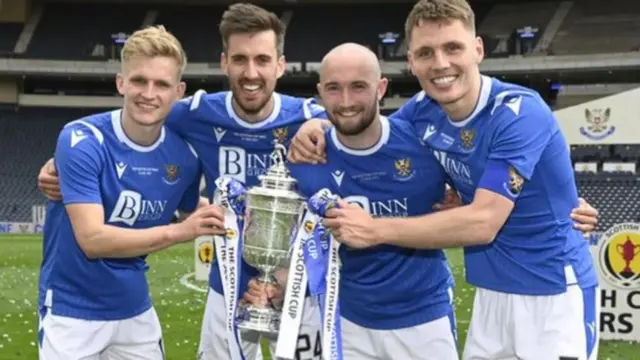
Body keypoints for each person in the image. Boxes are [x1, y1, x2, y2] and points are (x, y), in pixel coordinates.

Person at [289, 1, 601, 360]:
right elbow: (367, 126)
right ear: (412, 62)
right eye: (426, 52)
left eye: (453, 47)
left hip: (553, 294)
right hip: (492, 294)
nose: (440, 64)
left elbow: (484, 222)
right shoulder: (423, 111)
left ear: (478, 50)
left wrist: (374, 230)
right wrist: (318, 124)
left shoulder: (519, 113)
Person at [36, 4, 325, 360]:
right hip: (227, 286)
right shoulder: (194, 116)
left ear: (280, 65)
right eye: (240, 59)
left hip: (301, 288)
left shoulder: (310, 120)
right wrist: (59, 163)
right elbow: (134, 125)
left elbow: (362, 129)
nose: (251, 72)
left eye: (263, 60)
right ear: (224, 63)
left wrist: (323, 126)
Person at [244, 42, 459, 360]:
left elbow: (474, 195)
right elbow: (302, 249)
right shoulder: (305, 159)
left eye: (358, 87)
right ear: (320, 92)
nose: (345, 102)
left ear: (381, 88)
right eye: (334, 88)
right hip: (346, 323)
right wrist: (274, 284)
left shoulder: (422, 144)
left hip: (424, 320)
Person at [36, 26, 226, 360]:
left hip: (135, 312)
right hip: (71, 313)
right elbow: (92, 240)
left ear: (178, 91)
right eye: (139, 80)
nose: (148, 93)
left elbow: (188, 209)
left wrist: (228, 212)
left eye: (162, 84)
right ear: (121, 82)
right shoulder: (82, 139)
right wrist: (181, 232)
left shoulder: (184, 157)